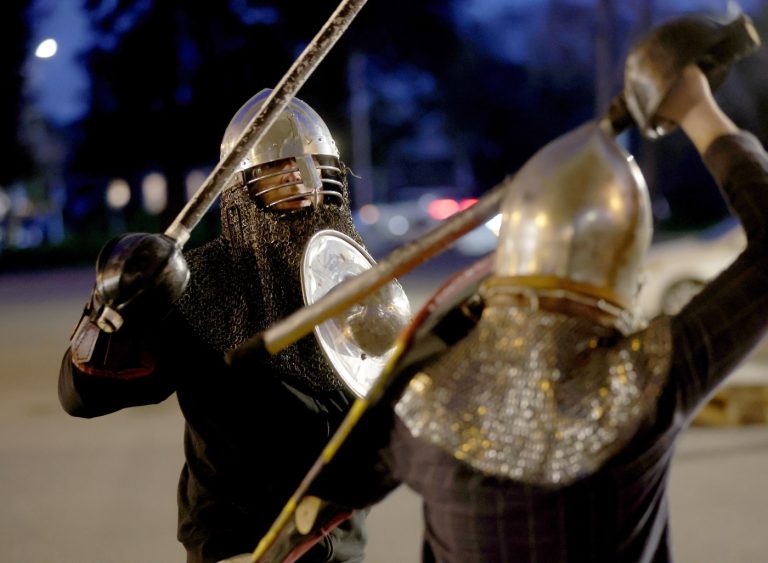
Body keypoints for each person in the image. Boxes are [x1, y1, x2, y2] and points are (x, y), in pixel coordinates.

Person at [302, 28, 768, 563]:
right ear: (623, 271)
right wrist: (696, 107)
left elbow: (339, 483)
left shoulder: (423, 403)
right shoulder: (644, 386)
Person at [58, 89, 405, 562]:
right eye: (279, 171)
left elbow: (390, 402)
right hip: (238, 546)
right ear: (243, 189)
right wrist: (116, 308)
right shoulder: (200, 284)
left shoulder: (354, 280)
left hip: (338, 541)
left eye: (315, 166)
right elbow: (83, 396)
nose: (302, 182)